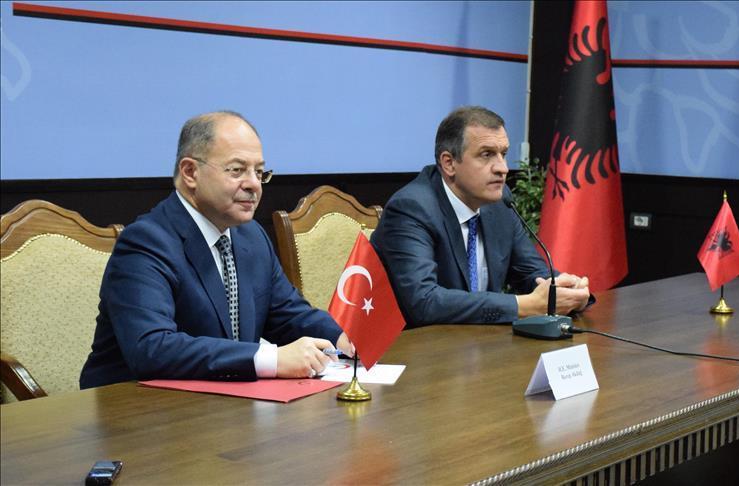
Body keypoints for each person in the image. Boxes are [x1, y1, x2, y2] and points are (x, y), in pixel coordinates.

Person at [80, 111, 352, 389]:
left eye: (259, 172)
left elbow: (288, 315)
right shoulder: (146, 242)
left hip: (223, 401)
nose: (254, 184)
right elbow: (152, 348)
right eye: (237, 170)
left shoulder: (251, 236)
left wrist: (345, 338)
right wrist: (272, 358)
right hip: (135, 406)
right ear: (190, 172)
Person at [370, 106, 592, 328]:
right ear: (449, 163)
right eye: (487, 155)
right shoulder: (412, 209)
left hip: (480, 340)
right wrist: (522, 305)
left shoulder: (499, 203)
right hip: (417, 344)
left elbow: (531, 273)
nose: (503, 168)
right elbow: (424, 302)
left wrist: (566, 292)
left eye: (503, 154)